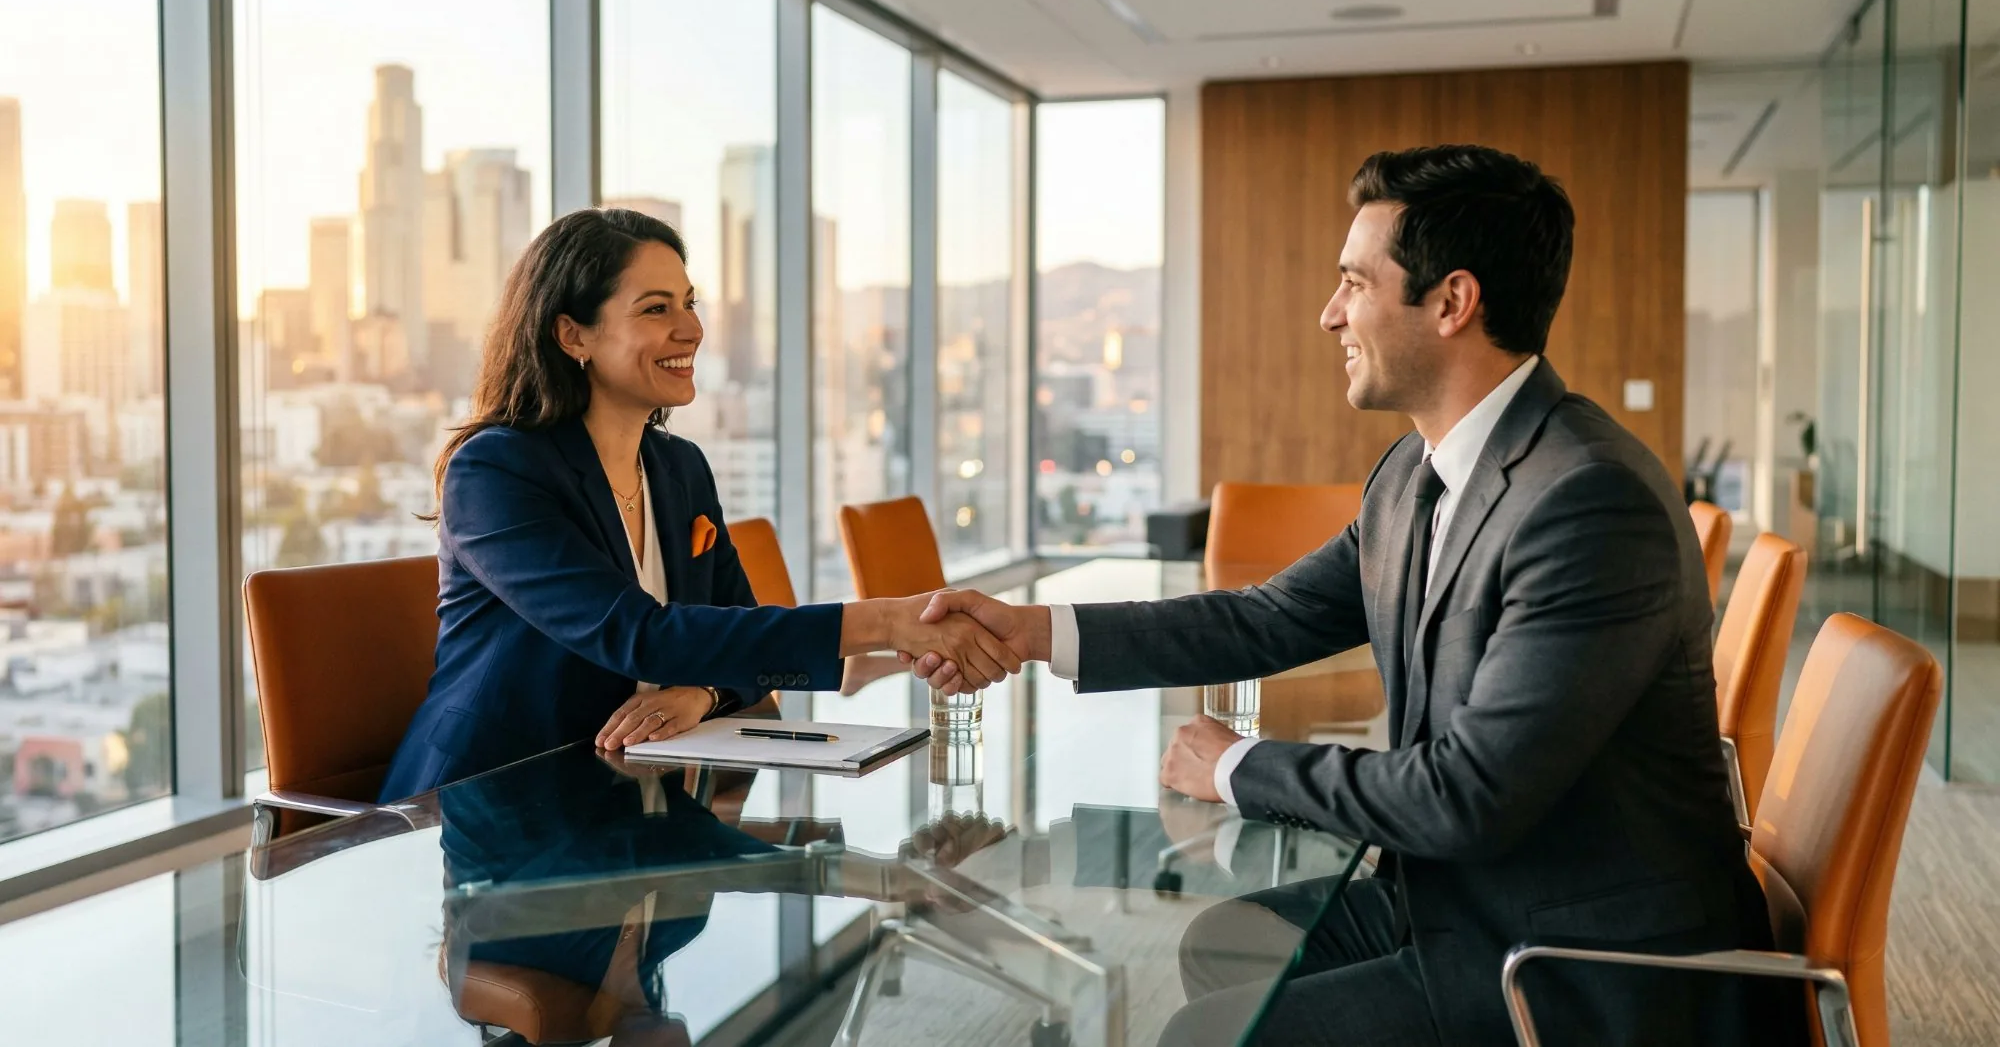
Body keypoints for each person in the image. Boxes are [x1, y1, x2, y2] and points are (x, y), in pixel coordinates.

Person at [905, 147, 1805, 1045]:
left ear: (1452, 302)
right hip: (1466, 898)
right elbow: (1267, 616)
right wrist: (1030, 632)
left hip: (1581, 961)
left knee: (1205, 1035)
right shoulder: (1417, 468)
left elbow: (1467, 797)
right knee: (1227, 941)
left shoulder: (1587, 500)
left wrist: (1233, 768)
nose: (1329, 314)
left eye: (1354, 284)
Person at [379, 208, 1015, 801]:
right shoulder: (497, 469)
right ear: (573, 334)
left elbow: (742, 625)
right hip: (491, 801)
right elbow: (636, 635)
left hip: (633, 792)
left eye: (689, 303)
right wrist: (884, 621)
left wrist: (705, 692)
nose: (692, 329)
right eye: (656, 309)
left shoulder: (678, 467)